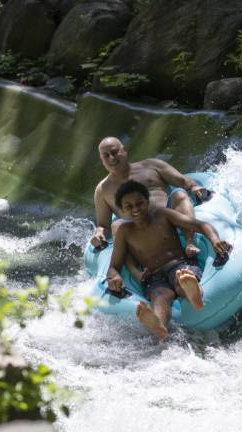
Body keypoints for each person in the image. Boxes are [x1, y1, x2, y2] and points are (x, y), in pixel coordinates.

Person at [106, 180, 232, 339]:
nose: (135, 209)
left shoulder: (162, 215)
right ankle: (159, 325)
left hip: (179, 264)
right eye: (129, 206)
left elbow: (200, 225)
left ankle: (195, 297)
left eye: (139, 203)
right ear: (121, 210)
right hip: (155, 277)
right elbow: (113, 266)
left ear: (147, 201)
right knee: (159, 296)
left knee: (183, 280)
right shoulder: (124, 232)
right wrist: (114, 277)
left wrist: (214, 240)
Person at [90, 137, 209, 260]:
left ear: (124, 150)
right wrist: (99, 233)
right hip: (138, 229)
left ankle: (190, 241)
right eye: (106, 156)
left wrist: (195, 187)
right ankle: (137, 270)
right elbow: (103, 225)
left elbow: (184, 182)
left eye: (114, 152)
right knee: (117, 225)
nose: (111, 158)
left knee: (179, 194)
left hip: (168, 216)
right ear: (102, 160)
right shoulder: (102, 190)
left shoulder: (151, 165)